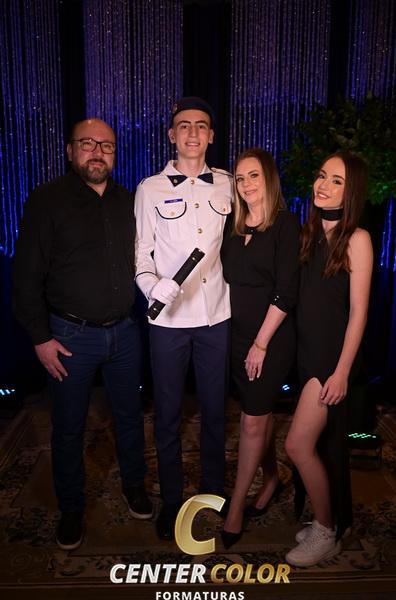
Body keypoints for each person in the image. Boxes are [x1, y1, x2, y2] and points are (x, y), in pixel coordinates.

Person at [12, 118, 152, 551]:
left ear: (115, 153)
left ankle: (134, 487)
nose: (97, 152)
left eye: (106, 145)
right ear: (70, 150)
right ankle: (72, 507)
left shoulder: (127, 201)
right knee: (69, 427)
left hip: (125, 333)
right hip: (70, 336)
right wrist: (40, 338)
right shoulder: (47, 200)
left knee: (130, 418)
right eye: (88, 143)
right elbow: (25, 275)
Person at [134, 97, 232, 540]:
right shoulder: (149, 189)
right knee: (168, 415)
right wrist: (151, 286)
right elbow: (141, 253)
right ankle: (172, 500)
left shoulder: (228, 184)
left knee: (215, 412)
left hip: (216, 317)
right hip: (167, 321)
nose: (193, 132)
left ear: (211, 135)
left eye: (201, 125)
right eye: (184, 126)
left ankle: (212, 493)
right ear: (172, 135)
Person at [284, 151, 373, 567]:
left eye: (337, 181)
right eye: (322, 176)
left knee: (297, 445)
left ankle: (326, 530)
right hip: (307, 354)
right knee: (321, 445)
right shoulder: (311, 231)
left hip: (330, 360)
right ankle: (331, 518)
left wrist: (341, 372)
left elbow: (359, 313)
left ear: (351, 191)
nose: (323, 185)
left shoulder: (357, 238)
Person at [220, 147, 300, 549]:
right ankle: (271, 478)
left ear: (269, 178)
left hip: (270, 340)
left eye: (253, 175)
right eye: (240, 178)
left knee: (252, 421)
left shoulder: (286, 225)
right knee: (258, 414)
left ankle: (236, 507)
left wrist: (261, 343)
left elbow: (287, 292)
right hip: (236, 337)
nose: (246, 184)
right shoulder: (233, 225)